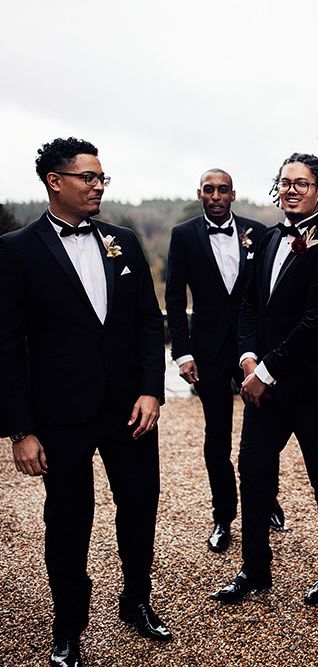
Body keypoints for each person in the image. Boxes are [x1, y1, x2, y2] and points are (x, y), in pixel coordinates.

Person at [0, 137, 171, 667]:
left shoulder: (121, 240)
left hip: (129, 407)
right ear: (55, 181)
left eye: (102, 179)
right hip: (60, 413)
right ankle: (69, 625)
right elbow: (5, 344)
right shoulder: (15, 249)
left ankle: (137, 601)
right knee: (68, 519)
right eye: (88, 178)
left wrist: (151, 390)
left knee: (140, 508)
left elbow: (148, 318)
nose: (98, 186)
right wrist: (19, 430)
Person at [211, 153, 318, 606]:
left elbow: (315, 321)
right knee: (251, 469)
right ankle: (254, 568)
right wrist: (249, 358)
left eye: (301, 183)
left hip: (313, 385)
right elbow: (249, 305)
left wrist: (266, 371)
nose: (290, 189)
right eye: (284, 182)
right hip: (263, 386)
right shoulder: (266, 240)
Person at [165, 169, 284, 554]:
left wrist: (269, 352)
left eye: (222, 190)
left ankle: (266, 500)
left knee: (265, 430)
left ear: (233, 194)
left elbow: (271, 292)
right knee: (216, 438)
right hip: (209, 352)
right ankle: (222, 516)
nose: (216, 196)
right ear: (200, 193)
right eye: (209, 189)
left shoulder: (259, 232)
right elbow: (173, 299)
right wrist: (182, 353)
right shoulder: (183, 236)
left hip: (255, 349)